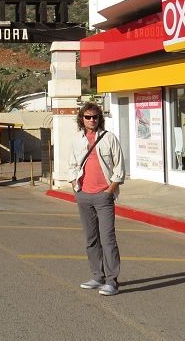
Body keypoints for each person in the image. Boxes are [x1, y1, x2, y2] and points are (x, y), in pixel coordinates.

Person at [67, 102, 125, 296]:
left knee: (108, 239)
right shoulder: (76, 139)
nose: (92, 120)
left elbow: (119, 168)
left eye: (95, 117)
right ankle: (97, 276)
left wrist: (110, 190)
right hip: (84, 195)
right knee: (91, 239)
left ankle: (111, 281)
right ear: (82, 119)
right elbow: (72, 164)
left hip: (103, 196)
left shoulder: (109, 139)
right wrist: (76, 186)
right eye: (88, 117)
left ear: (100, 118)